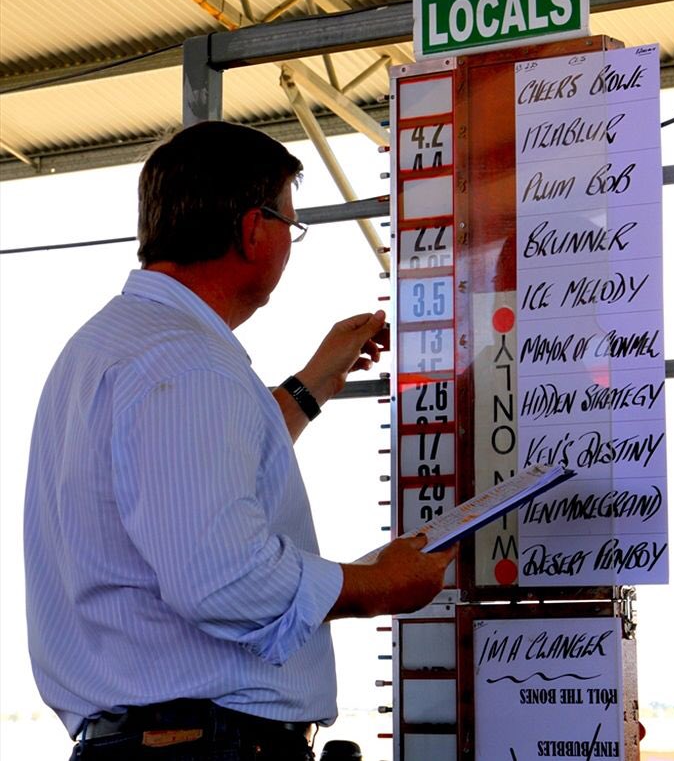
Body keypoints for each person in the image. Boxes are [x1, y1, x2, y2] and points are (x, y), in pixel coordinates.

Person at [24, 121, 456, 760]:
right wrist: (377, 585)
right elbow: (221, 579)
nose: (289, 242)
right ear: (254, 230)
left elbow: (192, 483)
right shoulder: (187, 363)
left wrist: (312, 384)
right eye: (290, 224)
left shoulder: (108, 346)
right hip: (205, 744)